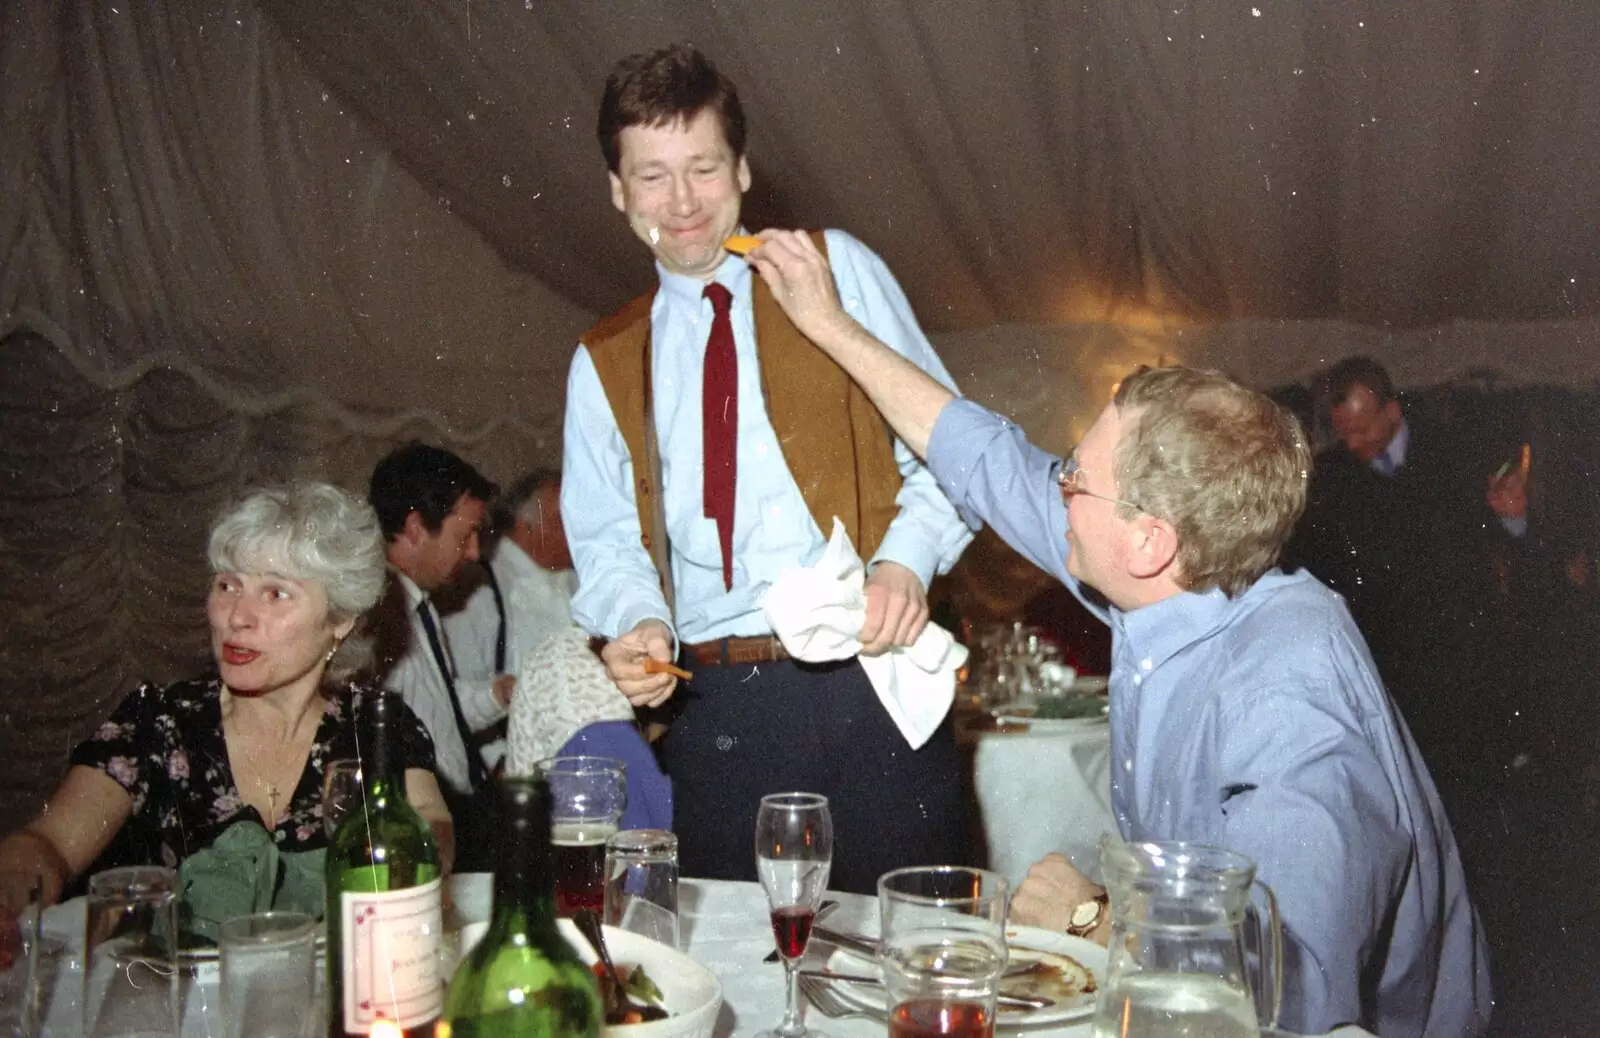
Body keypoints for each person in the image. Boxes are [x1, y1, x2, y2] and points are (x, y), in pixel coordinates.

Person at [738, 229, 1490, 1036]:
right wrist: (828, 323)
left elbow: (1288, 1000)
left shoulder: (1287, 695)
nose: (1054, 485)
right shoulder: (1178, 584)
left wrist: (1095, 919)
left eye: (1074, 478)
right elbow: (985, 459)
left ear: (1147, 540)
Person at [561, 44, 974, 893]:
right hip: (719, 710)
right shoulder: (602, 357)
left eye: (703, 168)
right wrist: (639, 625)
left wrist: (904, 562)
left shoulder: (833, 270)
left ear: (744, 170)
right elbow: (605, 542)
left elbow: (954, 453)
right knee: (744, 985)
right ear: (616, 190)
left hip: (871, 687)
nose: (681, 203)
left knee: (911, 968)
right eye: (651, 177)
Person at [0, 483, 451, 919]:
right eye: (227, 586)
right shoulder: (159, 720)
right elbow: (50, 844)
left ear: (340, 619)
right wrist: (17, 880)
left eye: (275, 593)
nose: (237, 616)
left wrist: (416, 861)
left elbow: (431, 824)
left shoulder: (373, 724)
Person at [447, 470, 672, 831]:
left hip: (600, 761)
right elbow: (450, 699)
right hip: (515, 782)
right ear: (526, 527)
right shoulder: (480, 590)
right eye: (564, 519)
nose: (579, 530)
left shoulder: (584, 584)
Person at [367, 443, 503, 871]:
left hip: (461, 811)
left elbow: (433, 709)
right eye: (464, 536)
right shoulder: (376, 621)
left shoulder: (418, 606)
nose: (474, 553)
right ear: (413, 528)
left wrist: (499, 694)